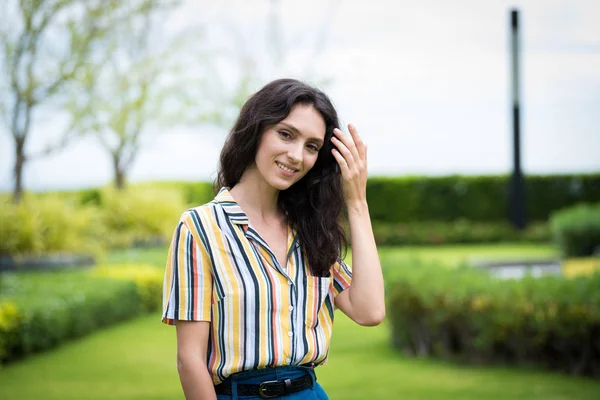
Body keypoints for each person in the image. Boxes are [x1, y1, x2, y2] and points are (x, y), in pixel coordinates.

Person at [161, 78, 385, 399]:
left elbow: (370, 310)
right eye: (285, 134)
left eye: (311, 146)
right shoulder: (200, 227)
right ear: (256, 129)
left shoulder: (310, 230)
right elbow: (190, 360)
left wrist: (357, 202)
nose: (296, 155)